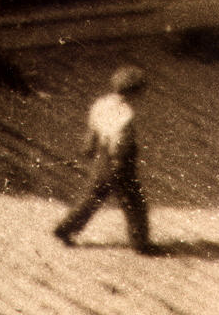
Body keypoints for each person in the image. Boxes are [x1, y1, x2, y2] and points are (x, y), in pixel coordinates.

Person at [53, 64, 158, 252]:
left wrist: (90, 146)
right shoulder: (126, 112)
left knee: (92, 197)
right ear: (135, 91)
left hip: (102, 157)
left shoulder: (101, 103)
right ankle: (140, 243)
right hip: (119, 160)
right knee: (134, 203)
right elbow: (120, 139)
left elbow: (93, 128)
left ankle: (66, 228)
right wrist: (119, 161)